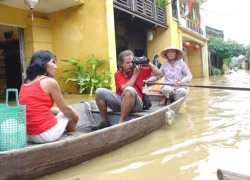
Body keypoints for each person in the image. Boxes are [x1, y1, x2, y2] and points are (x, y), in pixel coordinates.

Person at [91, 50, 162, 130]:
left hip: (137, 105)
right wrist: (135, 75)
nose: (131, 64)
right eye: (127, 63)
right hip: (122, 102)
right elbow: (124, 88)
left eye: (132, 62)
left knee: (129, 90)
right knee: (99, 92)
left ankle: (121, 122)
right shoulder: (118, 74)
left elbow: (159, 74)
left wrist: (147, 63)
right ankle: (104, 121)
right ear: (121, 64)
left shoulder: (139, 69)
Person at [19, 50, 79, 143]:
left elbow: (36, 108)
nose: (56, 67)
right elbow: (66, 110)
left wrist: (59, 112)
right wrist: (76, 118)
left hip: (27, 135)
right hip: (46, 135)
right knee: (70, 110)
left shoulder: (25, 83)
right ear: (42, 64)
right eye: (53, 62)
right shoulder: (50, 82)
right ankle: (73, 134)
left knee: (61, 111)